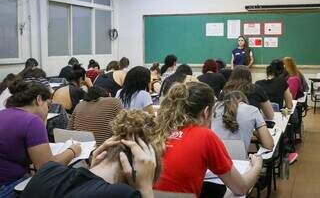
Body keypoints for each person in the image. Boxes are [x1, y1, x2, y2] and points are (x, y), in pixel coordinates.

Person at [153, 82, 263, 197]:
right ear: (206, 112)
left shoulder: (159, 130)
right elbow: (241, 188)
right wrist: (257, 166)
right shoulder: (205, 136)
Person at [21, 110, 162, 198]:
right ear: (132, 170)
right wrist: (145, 188)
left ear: (104, 152)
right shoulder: (123, 194)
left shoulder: (48, 170)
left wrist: (90, 172)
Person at [0, 80, 81, 198]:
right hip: (9, 187)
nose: (48, 110)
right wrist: (73, 151)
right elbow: (46, 168)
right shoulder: (31, 121)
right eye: (48, 105)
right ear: (38, 99)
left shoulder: (3, 114)